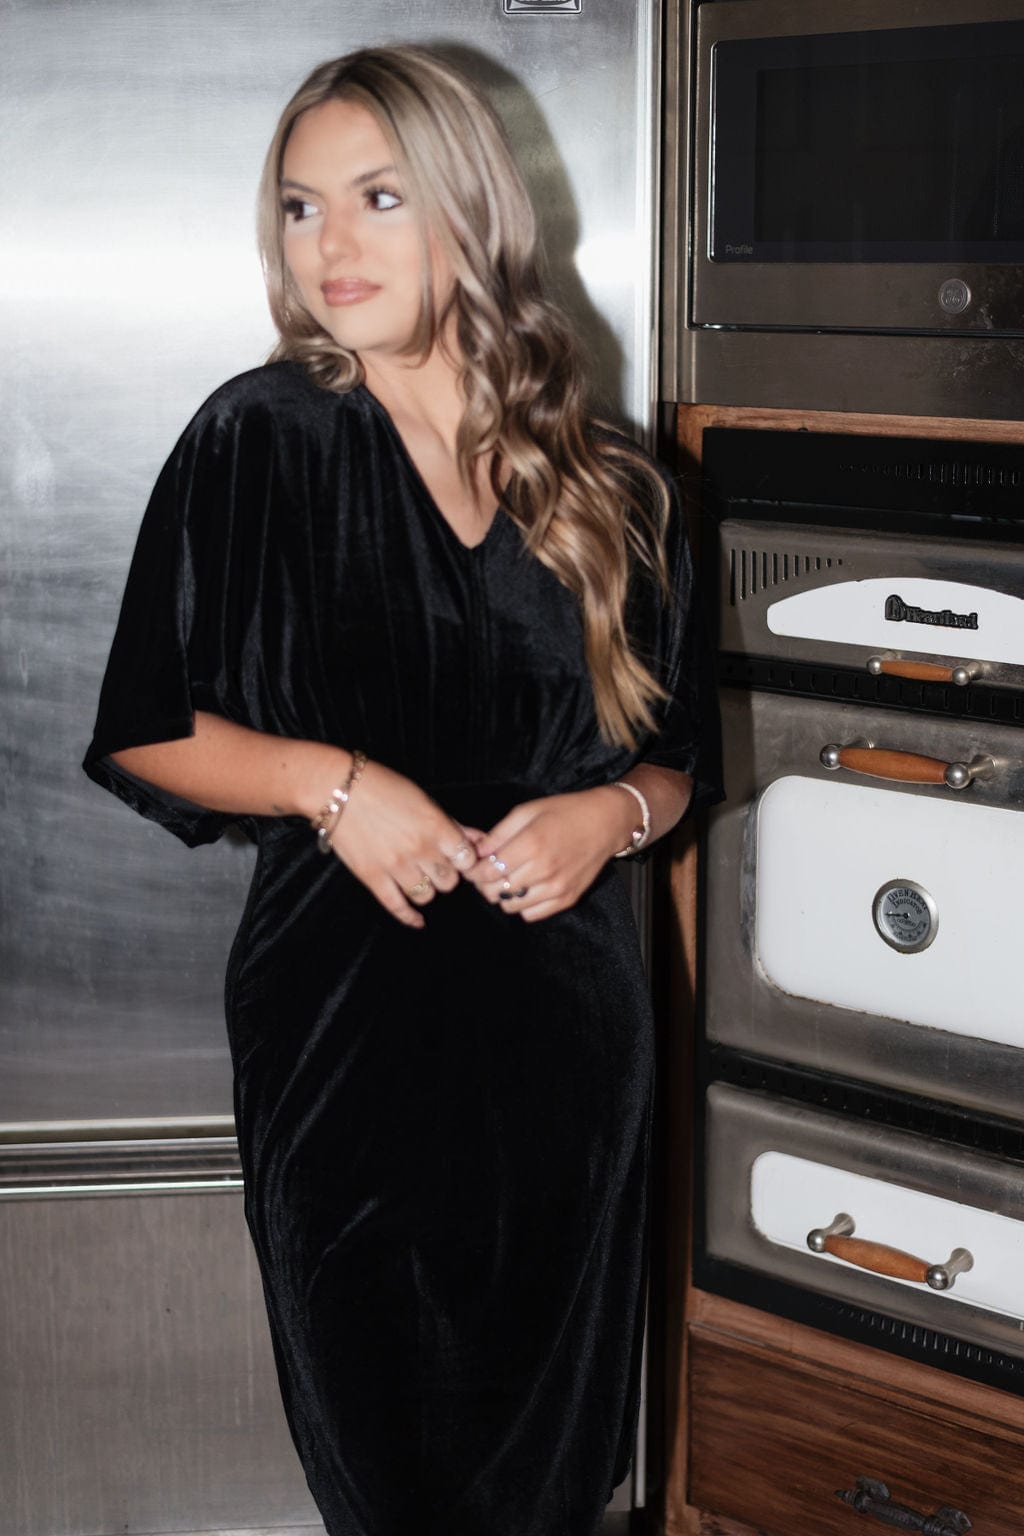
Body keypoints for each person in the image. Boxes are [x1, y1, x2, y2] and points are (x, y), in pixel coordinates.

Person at [83, 44, 720, 1536]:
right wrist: (334, 785)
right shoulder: (261, 437)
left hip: (569, 1050)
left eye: (377, 196)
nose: (331, 244)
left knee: (548, 1480)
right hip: (345, 1042)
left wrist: (611, 816)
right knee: (391, 1473)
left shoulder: (619, 482)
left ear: (470, 208)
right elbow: (142, 732)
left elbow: (681, 762)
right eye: (300, 206)